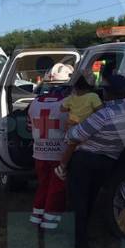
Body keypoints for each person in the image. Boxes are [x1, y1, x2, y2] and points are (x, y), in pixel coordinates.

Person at [62, 75, 125, 248]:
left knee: (78, 199)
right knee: (91, 196)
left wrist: (69, 130)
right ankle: (84, 232)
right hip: (109, 161)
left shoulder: (104, 114)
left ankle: (79, 241)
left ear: (107, 93)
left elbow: (74, 136)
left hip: (85, 159)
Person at [26, 63, 73, 230]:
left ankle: (37, 217)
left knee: (43, 185)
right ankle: (50, 224)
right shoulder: (68, 103)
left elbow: (30, 127)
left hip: (39, 153)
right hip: (59, 155)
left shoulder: (35, 102)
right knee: (57, 189)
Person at [54, 73, 104, 180]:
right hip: (85, 126)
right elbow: (101, 110)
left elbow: (62, 108)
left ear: (75, 87)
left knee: (71, 147)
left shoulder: (71, 98)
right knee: (75, 146)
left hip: (71, 125)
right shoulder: (93, 96)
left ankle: (63, 167)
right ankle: (62, 167)